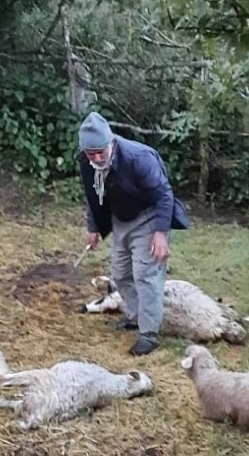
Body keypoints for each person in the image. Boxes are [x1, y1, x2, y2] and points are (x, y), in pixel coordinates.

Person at [78, 112, 190, 355]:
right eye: (91, 153)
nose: (96, 158)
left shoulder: (139, 158)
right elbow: (92, 193)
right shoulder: (86, 161)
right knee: (119, 273)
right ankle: (135, 315)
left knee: (146, 274)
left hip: (148, 216)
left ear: (111, 143)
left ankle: (149, 334)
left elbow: (164, 194)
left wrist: (160, 233)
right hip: (121, 219)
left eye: (101, 152)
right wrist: (93, 226)